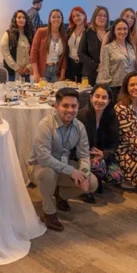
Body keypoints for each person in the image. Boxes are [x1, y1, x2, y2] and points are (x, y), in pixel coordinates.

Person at [29, 88, 98, 232]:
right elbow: (44, 158)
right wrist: (72, 171)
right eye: (65, 106)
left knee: (92, 183)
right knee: (48, 174)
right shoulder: (45, 125)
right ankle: (49, 213)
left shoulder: (79, 127)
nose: (70, 110)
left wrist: (84, 173)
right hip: (39, 167)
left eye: (74, 106)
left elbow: (84, 155)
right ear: (56, 106)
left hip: (63, 166)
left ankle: (60, 195)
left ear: (78, 107)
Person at [78, 85, 123, 201]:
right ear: (90, 97)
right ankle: (85, 189)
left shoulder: (111, 117)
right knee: (97, 166)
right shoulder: (81, 116)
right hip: (83, 156)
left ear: (109, 101)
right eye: (97, 96)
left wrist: (104, 154)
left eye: (104, 98)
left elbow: (115, 143)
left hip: (102, 155)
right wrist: (88, 156)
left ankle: (95, 180)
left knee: (116, 176)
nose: (99, 100)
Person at [96, 19, 137, 89]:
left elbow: (136, 68)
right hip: (114, 88)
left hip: (131, 87)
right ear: (114, 31)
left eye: (125, 29)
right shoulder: (107, 48)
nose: (122, 31)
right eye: (119, 29)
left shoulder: (132, 47)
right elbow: (104, 73)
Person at [31, 9, 67, 82]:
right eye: (53, 17)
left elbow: (64, 57)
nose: (56, 19)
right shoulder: (41, 32)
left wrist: (62, 75)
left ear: (62, 19)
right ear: (49, 19)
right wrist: (35, 72)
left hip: (56, 71)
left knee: (56, 93)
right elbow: (33, 53)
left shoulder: (64, 36)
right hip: (42, 71)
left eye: (59, 17)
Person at [1, 10, 34, 81]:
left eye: (24, 17)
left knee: (28, 92)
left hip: (28, 72)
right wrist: (17, 68)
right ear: (15, 20)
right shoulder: (8, 34)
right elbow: (5, 53)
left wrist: (29, 67)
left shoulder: (31, 34)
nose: (21, 19)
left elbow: (35, 52)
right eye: (19, 17)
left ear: (26, 20)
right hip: (13, 72)